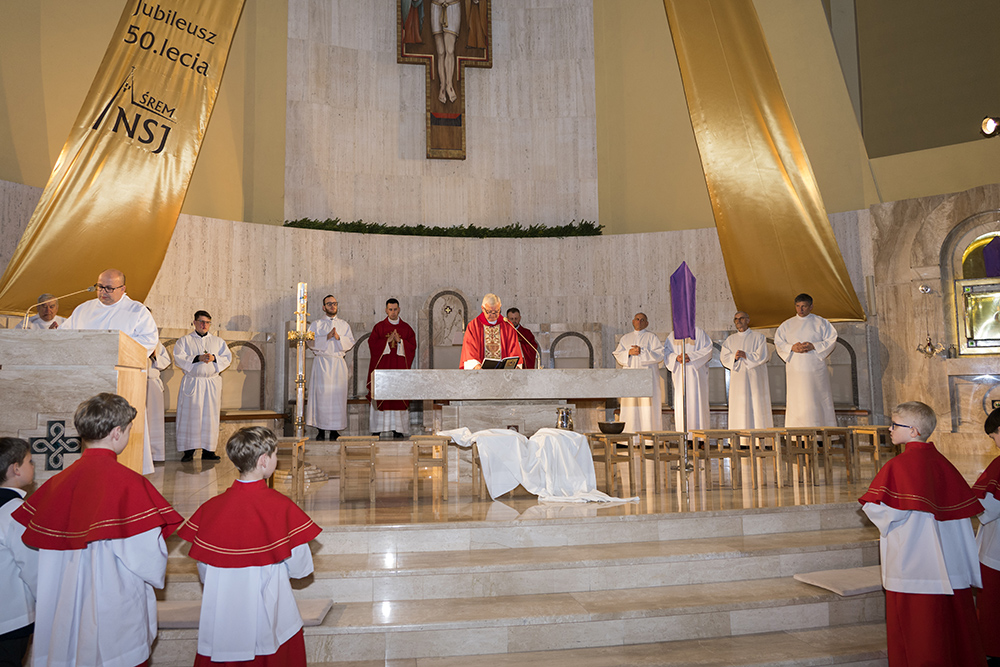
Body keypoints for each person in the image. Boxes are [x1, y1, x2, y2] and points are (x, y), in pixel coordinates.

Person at [12, 393, 183, 667]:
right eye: (128, 430)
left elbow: (35, 555)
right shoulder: (129, 484)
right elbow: (146, 558)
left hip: (62, 604)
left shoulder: (58, 483)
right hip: (112, 603)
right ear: (117, 432)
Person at [178, 427, 321, 666]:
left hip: (224, 615)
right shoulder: (281, 507)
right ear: (263, 460)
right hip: (271, 614)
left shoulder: (211, 509)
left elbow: (204, 571)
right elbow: (300, 569)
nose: (276, 459)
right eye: (275, 454)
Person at [859, 401, 986, 667]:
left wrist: (874, 509)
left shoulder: (899, 466)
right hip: (951, 564)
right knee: (951, 632)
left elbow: (884, 512)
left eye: (895, 425)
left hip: (915, 563)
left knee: (918, 636)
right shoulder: (943, 463)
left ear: (913, 431)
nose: (890, 429)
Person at [174, 311, 232, 462]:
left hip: (211, 383)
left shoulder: (218, 341)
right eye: (201, 321)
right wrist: (197, 358)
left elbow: (227, 358)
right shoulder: (185, 340)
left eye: (207, 322)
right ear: (194, 322)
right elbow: (178, 358)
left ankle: (209, 451)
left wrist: (214, 358)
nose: (204, 325)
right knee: (191, 417)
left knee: (210, 417)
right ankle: (188, 451)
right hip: (193, 383)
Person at [774, 293, 838, 427]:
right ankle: (796, 433)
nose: (800, 309)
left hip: (815, 368)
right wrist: (792, 347)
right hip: (796, 369)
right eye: (798, 306)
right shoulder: (787, 325)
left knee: (817, 398)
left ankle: (820, 432)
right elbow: (779, 342)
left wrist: (814, 346)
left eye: (804, 306)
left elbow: (832, 339)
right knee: (797, 399)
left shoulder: (821, 322)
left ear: (811, 306)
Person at [0, 438, 37, 667]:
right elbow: (33, 567)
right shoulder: (18, 512)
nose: (33, 467)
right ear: (15, 468)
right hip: (11, 620)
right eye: (29, 461)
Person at [63, 268, 159, 354]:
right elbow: (64, 334)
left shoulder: (137, 311)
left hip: (118, 365)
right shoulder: (83, 309)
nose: (103, 291)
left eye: (109, 288)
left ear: (122, 289)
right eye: (100, 287)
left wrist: (112, 346)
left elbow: (149, 340)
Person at [307, 295, 355, 441]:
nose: (332, 306)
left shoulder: (344, 324)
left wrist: (339, 338)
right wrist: (326, 337)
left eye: (334, 303)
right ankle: (321, 430)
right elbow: (310, 342)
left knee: (337, 397)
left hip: (338, 363)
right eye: (329, 304)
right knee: (322, 396)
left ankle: (335, 430)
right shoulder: (316, 324)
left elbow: (350, 342)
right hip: (322, 363)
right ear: (324, 307)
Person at [367, 298, 416, 438]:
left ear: (399, 309)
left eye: (395, 309)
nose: (393, 312)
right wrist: (386, 341)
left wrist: (401, 342)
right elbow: (372, 345)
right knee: (381, 395)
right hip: (383, 369)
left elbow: (412, 346)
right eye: (390, 309)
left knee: (398, 396)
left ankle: (398, 429)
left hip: (399, 370)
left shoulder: (406, 328)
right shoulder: (379, 327)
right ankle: (377, 429)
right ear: (386, 310)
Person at [974, 408, 1000, 667]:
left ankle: (993, 650)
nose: (994, 442)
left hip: (996, 550)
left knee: (993, 605)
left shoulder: (999, 464)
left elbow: (988, 509)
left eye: (993, 436)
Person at [719, 311, 773, 429]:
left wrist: (746, 355)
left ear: (748, 320)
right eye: (736, 319)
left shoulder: (758, 337)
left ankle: (759, 435)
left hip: (755, 378)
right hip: (738, 379)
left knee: (757, 405)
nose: (738, 321)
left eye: (741, 318)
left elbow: (763, 356)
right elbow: (724, 358)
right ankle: (740, 436)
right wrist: (734, 357)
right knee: (739, 406)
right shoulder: (730, 340)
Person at [612, 313, 664, 432]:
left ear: (647, 323)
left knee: (647, 407)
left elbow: (660, 354)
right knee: (630, 407)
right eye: (637, 319)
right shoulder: (626, 338)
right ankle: (630, 436)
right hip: (630, 378)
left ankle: (649, 437)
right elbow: (617, 354)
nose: (639, 321)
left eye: (642, 320)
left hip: (647, 379)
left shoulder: (652, 337)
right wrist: (629, 353)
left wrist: (642, 352)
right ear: (633, 321)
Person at [664, 326, 713, 434]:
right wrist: (676, 358)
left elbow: (708, 350)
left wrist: (691, 356)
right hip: (680, 377)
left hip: (697, 378)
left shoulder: (699, 333)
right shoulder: (672, 335)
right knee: (682, 406)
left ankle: (700, 438)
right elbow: (666, 353)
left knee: (698, 406)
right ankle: (684, 436)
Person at [460, 293, 523, 369]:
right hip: (481, 373)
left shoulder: (507, 326)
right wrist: (477, 367)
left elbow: (514, 351)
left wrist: (514, 366)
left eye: (496, 311)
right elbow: (470, 351)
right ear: (483, 308)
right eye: (489, 311)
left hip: (503, 374)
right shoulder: (474, 326)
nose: (493, 315)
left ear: (500, 307)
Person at [145, 338, 171, 464]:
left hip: (153, 384)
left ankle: (154, 453)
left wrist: (155, 356)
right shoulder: (131, 339)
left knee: (154, 419)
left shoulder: (156, 342)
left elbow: (166, 361)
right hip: (136, 382)